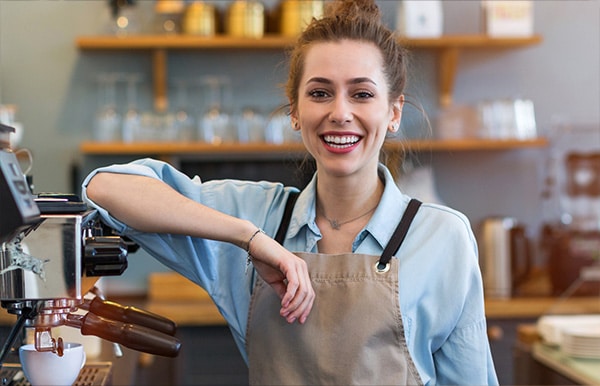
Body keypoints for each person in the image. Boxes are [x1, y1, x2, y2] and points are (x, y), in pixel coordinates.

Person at [83, 0, 498, 384]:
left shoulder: (443, 237)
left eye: (362, 94)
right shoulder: (256, 216)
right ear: (295, 112)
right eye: (320, 93)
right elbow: (104, 188)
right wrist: (251, 239)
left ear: (393, 112)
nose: (339, 112)